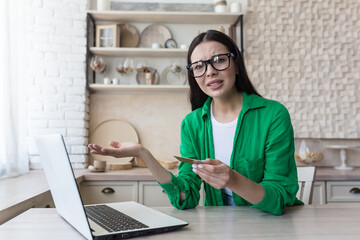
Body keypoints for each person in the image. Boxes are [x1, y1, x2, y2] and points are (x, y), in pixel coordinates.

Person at [88, 30, 301, 215]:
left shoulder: (273, 115)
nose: (209, 71)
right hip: (220, 226)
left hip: (270, 226)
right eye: (199, 66)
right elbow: (185, 196)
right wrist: (143, 154)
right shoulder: (192, 124)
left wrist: (232, 179)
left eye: (219, 60)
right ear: (194, 75)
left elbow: (279, 198)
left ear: (236, 64)